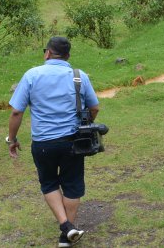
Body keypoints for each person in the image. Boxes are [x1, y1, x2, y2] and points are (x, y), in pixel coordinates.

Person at [8, 36, 100, 248]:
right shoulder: (79, 76)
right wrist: (86, 123)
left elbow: (16, 112)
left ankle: (65, 226)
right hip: (73, 141)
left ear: (47, 53)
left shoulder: (32, 75)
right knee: (72, 184)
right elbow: (94, 108)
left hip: (43, 143)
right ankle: (66, 234)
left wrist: (12, 139)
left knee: (49, 183)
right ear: (68, 56)